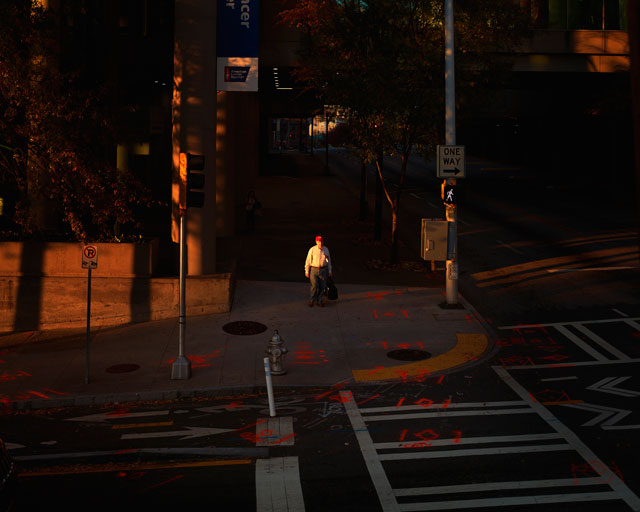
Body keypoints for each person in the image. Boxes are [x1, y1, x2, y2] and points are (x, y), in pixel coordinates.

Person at [304, 235, 332, 307]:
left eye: (321, 241)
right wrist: (307, 270)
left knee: (322, 286)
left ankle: (320, 300)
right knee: (315, 285)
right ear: (316, 242)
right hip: (314, 270)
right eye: (319, 241)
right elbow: (308, 260)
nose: (320, 243)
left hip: (323, 270)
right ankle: (312, 300)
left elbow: (329, 261)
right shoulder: (312, 250)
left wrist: (330, 271)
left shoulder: (326, 250)